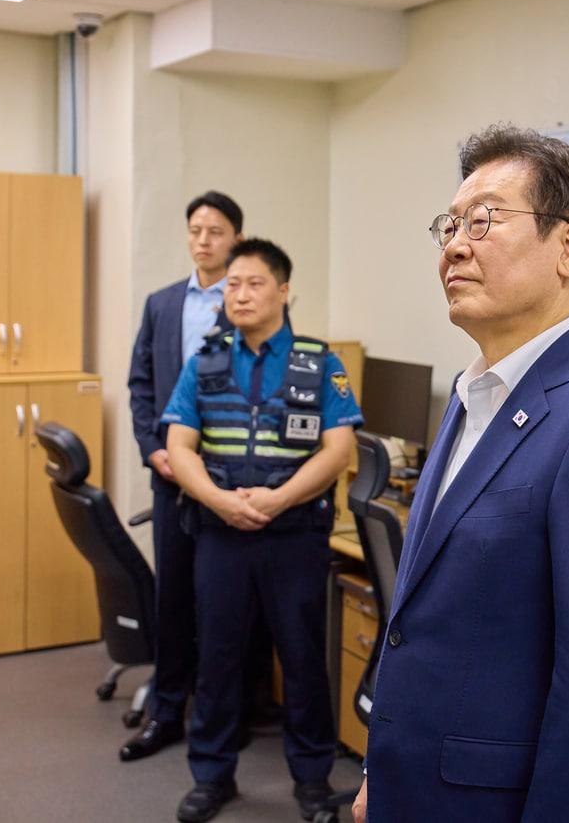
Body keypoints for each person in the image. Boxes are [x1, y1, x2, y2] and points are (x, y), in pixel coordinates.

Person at [353, 125, 569, 823]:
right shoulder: (476, 397)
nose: (455, 245)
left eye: (485, 221)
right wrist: (384, 766)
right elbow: (421, 622)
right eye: (450, 225)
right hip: (417, 786)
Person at [161, 238, 362, 822]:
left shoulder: (318, 361)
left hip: (293, 534)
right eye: (232, 284)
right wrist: (221, 501)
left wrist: (276, 499)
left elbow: (338, 449)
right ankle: (212, 776)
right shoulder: (204, 361)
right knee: (217, 656)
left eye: (253, 283)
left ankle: (312, 779)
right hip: (221, 535)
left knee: (301, 659)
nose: (240, 294)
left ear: (283, 290)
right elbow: (179, 445)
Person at [123, 191, 241, 762]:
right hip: (170, 477)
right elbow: (140, 385)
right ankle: (166, 712)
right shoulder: (161, 304)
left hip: (226, 479)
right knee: (172, 601)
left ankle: (224, 719)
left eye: (215, 230)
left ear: (235, 239)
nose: (203, 239)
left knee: (222, 604)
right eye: (195, 229)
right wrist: (154, 450)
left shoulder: (251, 302)